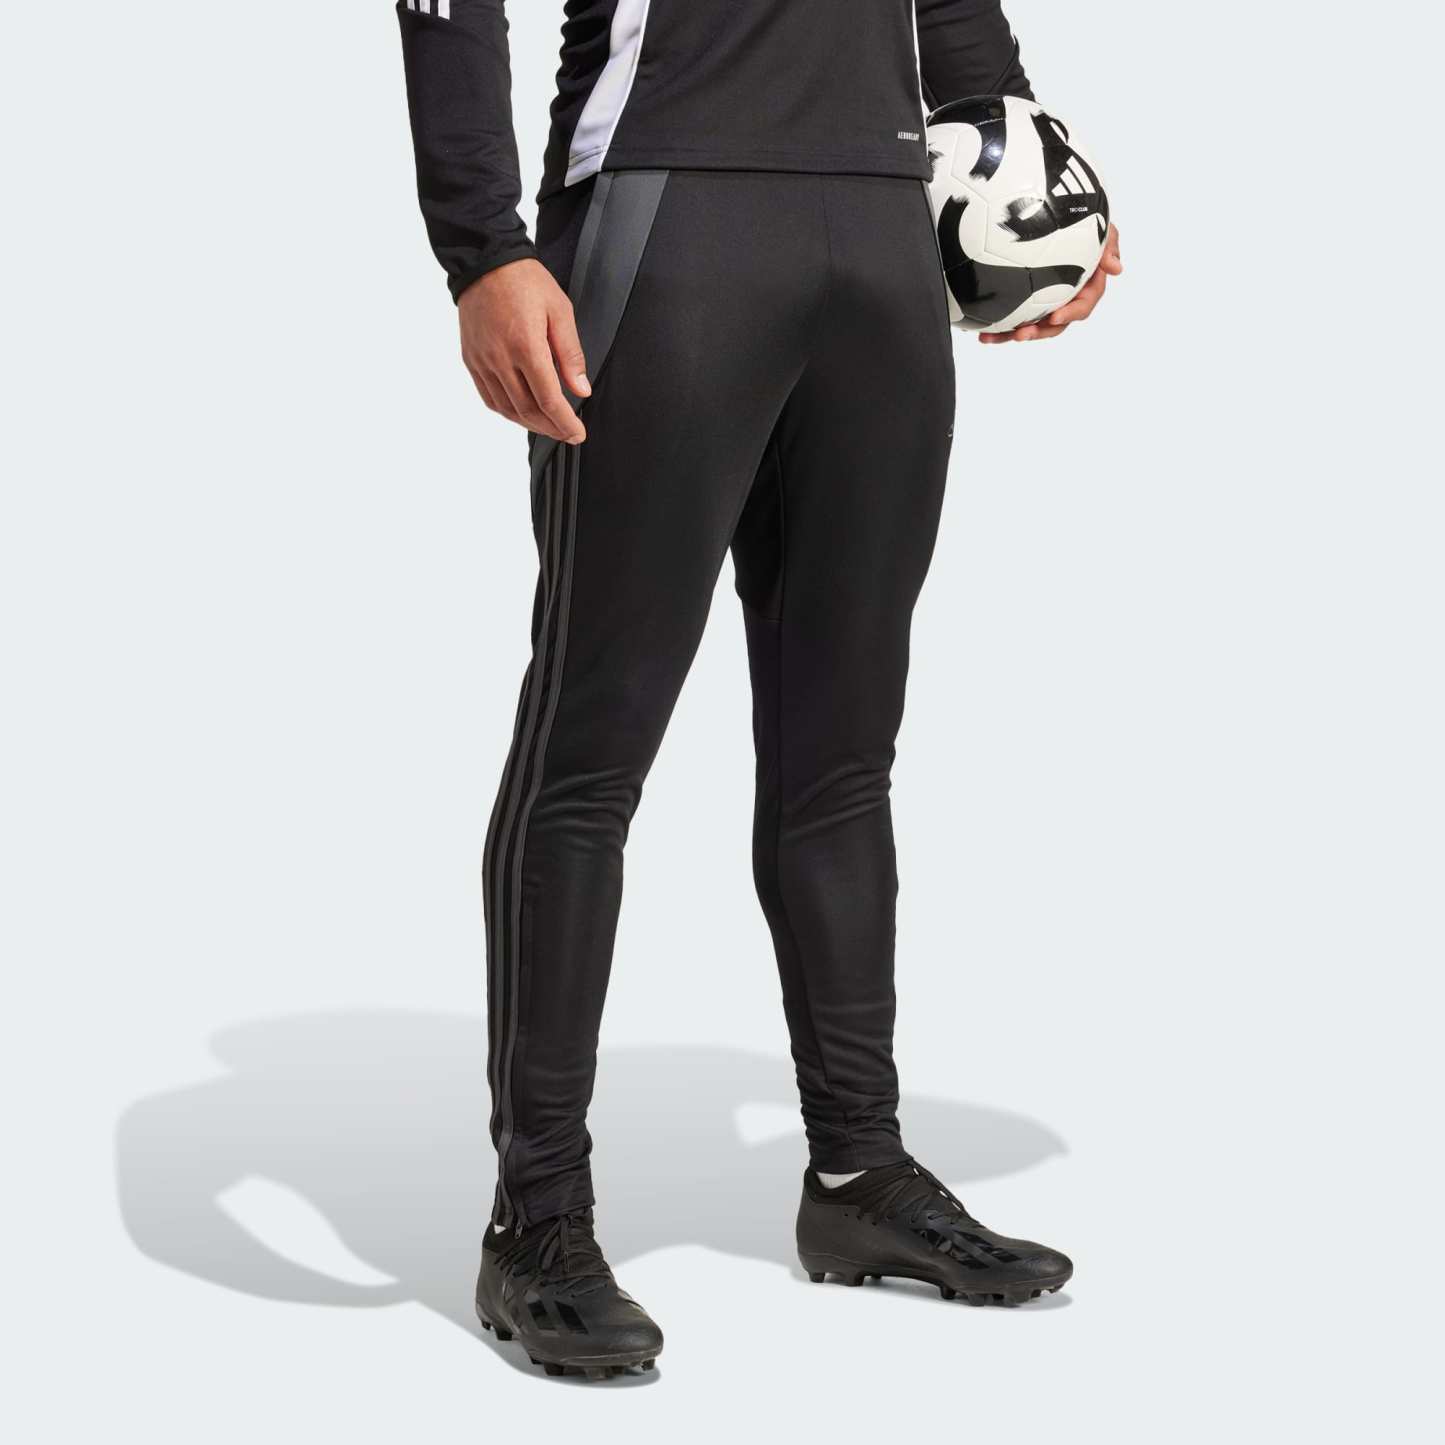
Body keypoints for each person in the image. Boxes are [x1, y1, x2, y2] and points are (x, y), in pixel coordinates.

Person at [396, 0, 1122, 1380]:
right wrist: (481, 245)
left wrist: (1029, 170)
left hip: (881, 232)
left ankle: (857, 1174)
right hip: (670, 218)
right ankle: (535, 1219)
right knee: (589, 753)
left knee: (842, 754)